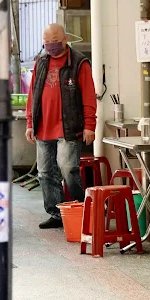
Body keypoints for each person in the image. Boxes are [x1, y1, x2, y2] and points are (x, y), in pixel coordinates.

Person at [25, 23, 97, 229]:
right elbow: (33, 95)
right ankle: (56, 213)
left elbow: (89, 96)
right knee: (45, 172)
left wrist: (90, 125)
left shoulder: (79, 63)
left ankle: (82, 208)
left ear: (65, 40)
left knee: (67, 169)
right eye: (46, 42)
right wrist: (30, 123)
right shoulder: (41, 62)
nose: (50, 46)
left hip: (68, 127)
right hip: (42, 127)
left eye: (54, 42)